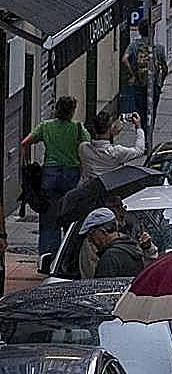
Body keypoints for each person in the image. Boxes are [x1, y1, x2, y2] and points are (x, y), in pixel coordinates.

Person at [21, 95, 89, 261]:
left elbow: (25, 143)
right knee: (70, 213)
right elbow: (88, 146)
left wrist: (27, 164)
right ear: (72, 111)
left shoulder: (46, 126)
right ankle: (65, 254)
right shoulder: (78, 129)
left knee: (49, 216)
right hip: (71, 174)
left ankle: (47, 255)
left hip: (50, 174)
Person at [121, 22, 168, 144]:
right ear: (153, 32)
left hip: (139, 84)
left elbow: (124, 59)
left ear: (140, 32)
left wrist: (132, 73)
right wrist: (160, 82)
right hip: (154, 86)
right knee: (152, 112)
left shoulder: (134, 45)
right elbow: (164, 67)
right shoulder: (159, 48)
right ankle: (149, 138)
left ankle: (141, 137)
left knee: (140, 112)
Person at [78, 207, 148, 278]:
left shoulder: (110, 258)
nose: (90, 240)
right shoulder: (133, 248)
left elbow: (101, 287)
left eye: (91, 235)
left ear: (103, 232)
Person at [79, 111, 146, 182]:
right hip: (109, 187)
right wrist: (138, 127)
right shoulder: (116, 152)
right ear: (111, 129)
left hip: (88, 187)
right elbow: (139, 150)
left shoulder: (83, 148)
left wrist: (112, 133)